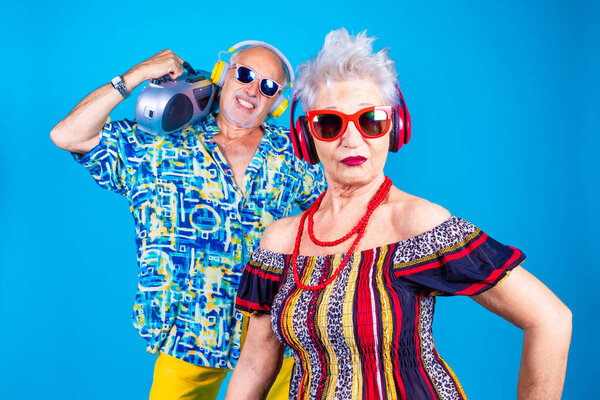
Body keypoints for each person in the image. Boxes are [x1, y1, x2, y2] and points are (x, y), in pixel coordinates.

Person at [227, 29, 572, 400]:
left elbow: (550, 319)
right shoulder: (280, 241)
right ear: (306, 136)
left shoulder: (413, 222)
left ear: (394, 126)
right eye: (330, 124)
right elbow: (254, 366)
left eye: (370, 120)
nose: (353, 140)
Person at [50, 42, 326, 400]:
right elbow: (68, 135)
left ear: (278, 102)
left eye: (268, 86)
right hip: (187, 332)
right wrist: (133, 77)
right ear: (222, 75)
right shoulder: (157, 142)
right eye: (245, 75)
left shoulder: (295, 155)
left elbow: (333, 223)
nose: (253, 90)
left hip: (274, 335)